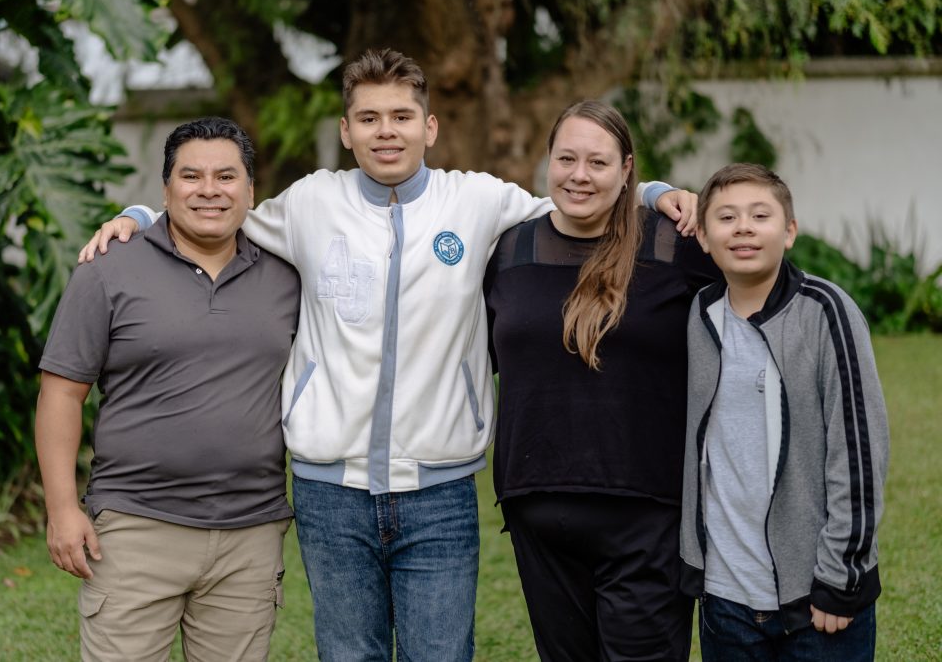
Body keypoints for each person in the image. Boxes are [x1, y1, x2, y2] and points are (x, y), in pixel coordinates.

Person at [77, 49, 696, 661]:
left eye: (402, 116)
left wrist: (653, 192)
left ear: (430, 127)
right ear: (346, 131)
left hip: (441, 490)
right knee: (349, 654)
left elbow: (576, 198)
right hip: (329, 491)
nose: (386, 131)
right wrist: (137, 216)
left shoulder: (477, 202)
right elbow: (220, 212)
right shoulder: (311, 203)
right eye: (368, 118)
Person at [35, 117, 300, 661]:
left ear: (251, 190)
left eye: (226, 176)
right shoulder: (108, 269)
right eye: (191, 176)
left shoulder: (287, 272)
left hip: (250, 533)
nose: (209, 190)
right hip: (135, 528)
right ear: (165, 190)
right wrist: (61, 509)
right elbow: (61, 393)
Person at [484, 100, 719, 661]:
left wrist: (659, 195)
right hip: (538, 509)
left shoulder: (674, 244)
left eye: (598, 162)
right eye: (566, 159)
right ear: (548, 162)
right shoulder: (510, 250)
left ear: (627, 168)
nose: (580, 175)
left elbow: (753, 302)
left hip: (647, 511)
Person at [680, 163, 889, 661]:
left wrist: (840, 577)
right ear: (703, 237)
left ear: (789, 231)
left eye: (760, 215)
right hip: (725, 597)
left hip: (814, 597)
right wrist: (655, 194)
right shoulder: (700, 313)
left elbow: (859, 451)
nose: (744, 228)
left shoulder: (826, 311)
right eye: (726, 217)